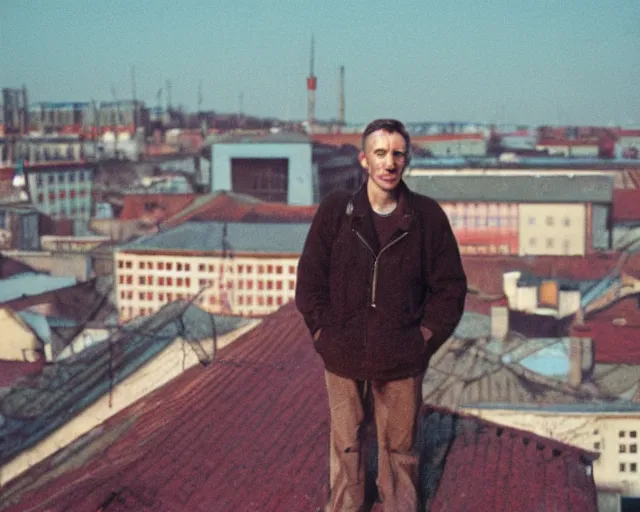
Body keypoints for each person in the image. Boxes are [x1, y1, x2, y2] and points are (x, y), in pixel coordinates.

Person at [296, 119, 467, 511]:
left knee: (401, 454)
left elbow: (451, 288)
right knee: (347, 448)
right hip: (342, 357)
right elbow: (309, 280)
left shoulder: (427, 218)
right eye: (380, 153)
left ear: (407, 159)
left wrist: (422, 339)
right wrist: (324, 333)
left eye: (397, 153)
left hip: (402, 359)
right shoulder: (337, 212)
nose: (389, 163)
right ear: (363, 160)